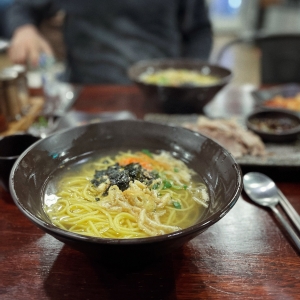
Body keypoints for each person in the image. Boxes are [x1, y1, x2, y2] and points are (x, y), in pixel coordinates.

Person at [7, 0, 213, 84]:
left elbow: (200, 30)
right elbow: (22, 7)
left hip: (159, 88)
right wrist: (24, 29)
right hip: (88, 88)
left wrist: (188, 77)